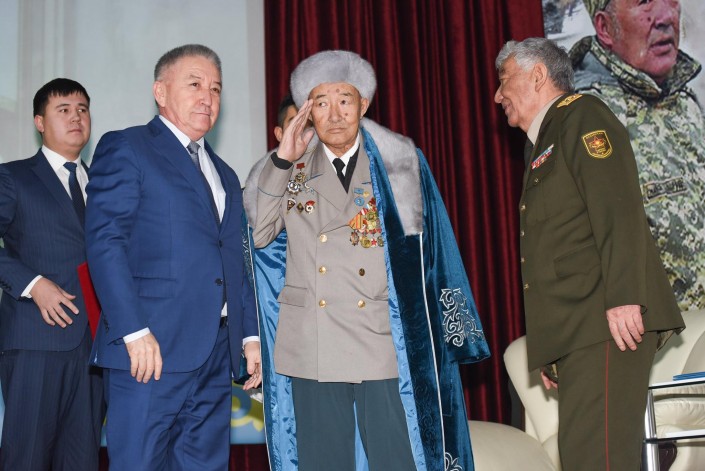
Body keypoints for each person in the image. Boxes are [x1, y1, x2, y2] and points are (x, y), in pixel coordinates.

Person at [244, 50, 490, 471]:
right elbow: (261, 232)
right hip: (313, 342)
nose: (335, 114)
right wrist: (282, 158)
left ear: (364, 104)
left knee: (396, 460)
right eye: (322, 103)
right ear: (307, 112)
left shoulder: (398, 162)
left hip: (380, 339)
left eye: (345, 100)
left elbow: (434, 250)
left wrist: (450, 328)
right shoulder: (290, 167)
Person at [494, 37, 685, 470]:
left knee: (599, 458)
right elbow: (563, 246)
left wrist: (625, 296)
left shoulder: (582, 115)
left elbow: (617, 208)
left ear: (537, 75)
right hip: (581, 329)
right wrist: (553, 347)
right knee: (585, 455)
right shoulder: (543, 141)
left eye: (504, 80)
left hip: (605, 321)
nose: (498, 95)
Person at [85, 44, 261, 470]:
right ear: (160, 92)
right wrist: (132, 330)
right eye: (195, 84)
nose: (207, 97)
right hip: (149, 350)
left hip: (215, 353)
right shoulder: (127, 146)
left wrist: (249, 336)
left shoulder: (225, 173)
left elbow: (234, 260)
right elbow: (105, 241)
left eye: (215, 89)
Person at [570, 0, 705, 310]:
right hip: (655, 337)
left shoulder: (685, 103)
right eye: (644, 2)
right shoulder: (585, 119)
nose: (666, 16)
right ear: (605, 28)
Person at [0, 78, 103, 470]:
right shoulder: (14, 177)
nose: (76, 117)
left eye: (82, 109)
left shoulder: (105, 184)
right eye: (63, 110)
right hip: (35, 342)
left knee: (82, 461)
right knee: (27, 459)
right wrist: (32, 284)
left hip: (96, 349)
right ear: (39, 122)